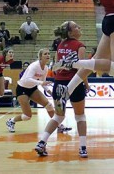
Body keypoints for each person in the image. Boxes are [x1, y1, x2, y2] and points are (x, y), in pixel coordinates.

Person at [35, 21, 91, 158]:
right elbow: (82, 68)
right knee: (80, 116)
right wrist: (86, 84)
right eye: (77, 27)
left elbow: (55, 67)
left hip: (59, 83)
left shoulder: (60, 45)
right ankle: (83, 148)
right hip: (74, 83)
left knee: (58, 116)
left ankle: (42, 142)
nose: (80, 27)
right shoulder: (80, 45)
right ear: (71, 33)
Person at [7, 48, 72, 134]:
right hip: (22, 88)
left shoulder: (45, 68)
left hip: (33, 89)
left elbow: (43, 83)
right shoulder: (34, 66)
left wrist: (51, 93)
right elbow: (27, 79)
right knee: (27, 116)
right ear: (40, 57)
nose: (48, 55)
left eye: (48, 53)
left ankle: (59, 126)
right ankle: (11, 121)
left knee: (49, 105)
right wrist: (41, 82)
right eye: (45, 54)